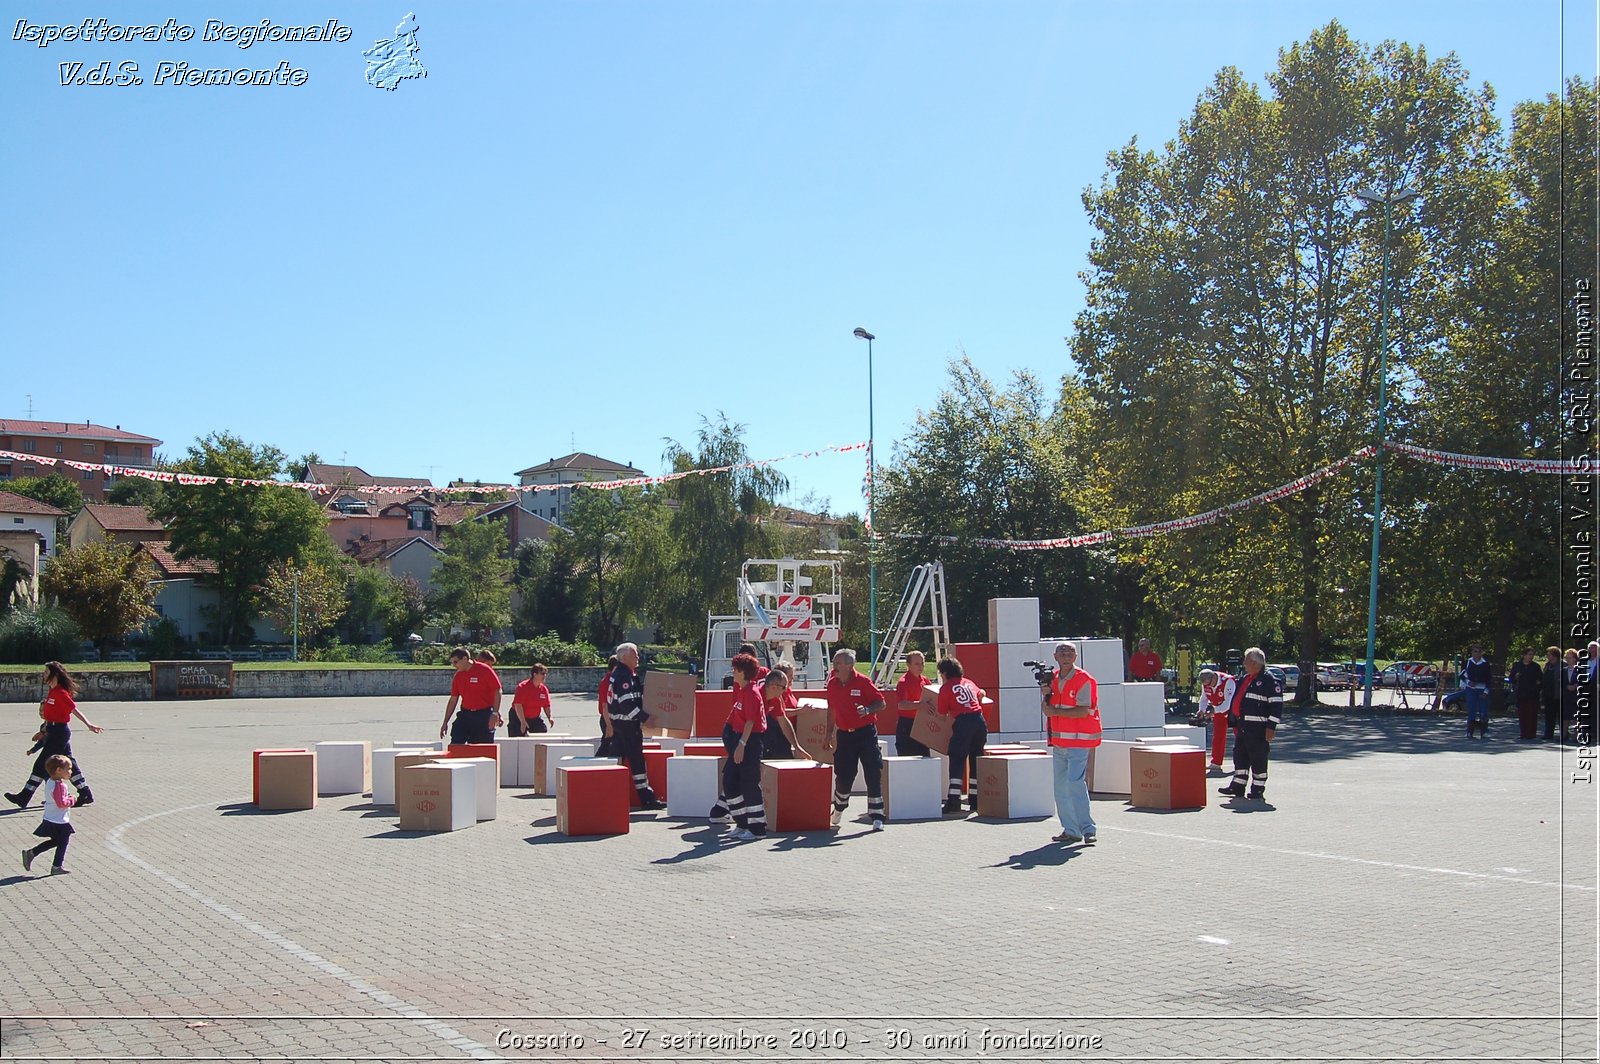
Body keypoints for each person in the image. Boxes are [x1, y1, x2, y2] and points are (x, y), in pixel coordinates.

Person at [6, 662, 102, 810]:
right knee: (70, 762)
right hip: (53, 731)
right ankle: (85, 792)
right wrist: (43, 731)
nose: (44, 674)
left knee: (41, 764)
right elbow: (50, 715)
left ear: (55, 674)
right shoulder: (52, 691)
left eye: (46, 672)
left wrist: (88, 724)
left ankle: (24, 796)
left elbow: (74, 709)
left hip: (59, 732)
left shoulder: (61, 693)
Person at [822, 648, 887, 831]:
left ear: (850, 666)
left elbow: (881, 703)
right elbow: (831, 710)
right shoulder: (832, 684)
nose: (834, 666)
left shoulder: (863, 682)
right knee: (844, 775)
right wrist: (828, 734)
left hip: (866, 733)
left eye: (838, 663)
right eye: (834, 662)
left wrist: (867, 710)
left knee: (873, 771)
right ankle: (839, 809)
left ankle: (877, 815)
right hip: (844, 735)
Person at [1042, 642, 1100, 844]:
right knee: (1060, 787)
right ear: (1055, 656)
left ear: (1075, 657)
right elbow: (1048, 708)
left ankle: (1087, 829)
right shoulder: (1054, 678)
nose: (1066, 655)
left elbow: (1083, 710)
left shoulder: (1084, 679)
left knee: (1075, 784)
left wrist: (1055, 711)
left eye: (1069, 652)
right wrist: (1045, 695)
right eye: (1062, 652)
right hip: (1060, 742)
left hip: (1078, 740)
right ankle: (1071, 829)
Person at [707, 654, 769, 840]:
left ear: (744, 672)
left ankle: (758, 828)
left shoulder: (751, 692)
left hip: (749, 742)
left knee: (749, 784)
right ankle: (742, 823)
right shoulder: (741, 689)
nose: (733, 671)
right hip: (739, 741)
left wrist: (741, 745)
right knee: (730, 782)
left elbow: (751, 721)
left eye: (736, 669)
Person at [1217, 647, 1282, 801]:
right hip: (1243, 725)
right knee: (1240, 756)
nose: (1244, 664)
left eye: (1246, 661)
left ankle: (1258, 788)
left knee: (1258, 757)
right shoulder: (1245, 678)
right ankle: (1238, 785)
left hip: (1258, 727)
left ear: (1255, 663)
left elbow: (1276, 706)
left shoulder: (1269, 681)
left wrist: (1271, 727)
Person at [605, 643, 662, 809]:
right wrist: (644, 718)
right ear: (624, 657)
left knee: (618, 759)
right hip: (627, 726)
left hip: (621, 726)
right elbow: (626, 704)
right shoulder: (624, 676)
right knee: (636, 760)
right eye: (635, 655)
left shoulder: (626, 674)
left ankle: (611, 794)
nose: (638, 658)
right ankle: (646, 797)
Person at [935, 657, 987, 815]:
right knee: (975, 759)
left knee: (957, 758)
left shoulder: (946, 688)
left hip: (963, 722)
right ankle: (975, 799)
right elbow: (982, 693)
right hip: (979, 721)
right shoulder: (968, 683)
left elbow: (942, 713)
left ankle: (954, 800)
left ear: (944, 673)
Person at [20, 755, 76, 875]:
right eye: (69, 769)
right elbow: (62, 803)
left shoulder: (51, 781)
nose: (71, 772)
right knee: (62, 843)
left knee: (57, 841)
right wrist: (72, 799)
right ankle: (56, 866)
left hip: (50, 818)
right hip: (59, 820)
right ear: (59, 770)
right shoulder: (60, 786)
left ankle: (32, 853)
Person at [438, 647, 502, 744]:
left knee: (482, 747)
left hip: (483, 715)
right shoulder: (458, 676)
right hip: (466, 714)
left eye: (455, 662)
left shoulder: (484, 670)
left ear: (464, 659)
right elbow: (453, 700)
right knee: (456, 742)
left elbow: (497, 691)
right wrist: (445, 722)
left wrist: (495, 713)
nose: (454, 665)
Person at [758, 669, 808, 761]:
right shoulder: (755, 697)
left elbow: (784, 722)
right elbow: (748, 723)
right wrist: (742, 743)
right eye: (784, 687)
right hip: (737, 732)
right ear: (773, 687)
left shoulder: (776, 699)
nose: (786, 690)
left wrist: (797, 747)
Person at [892, 650, 932, 758]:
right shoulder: (903, 682)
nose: (920, 666)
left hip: (921, 723)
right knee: (908, 757)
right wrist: (919, 705)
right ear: (908, 665)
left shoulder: (925, 680)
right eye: (917, 664)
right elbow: (901, 704)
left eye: (922, 663)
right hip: (907, 725)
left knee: (924, 757)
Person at [1198, 668, 1231, 772]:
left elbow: (1228, 703)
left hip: (1233, 710)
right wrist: (1201, 710)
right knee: (1218, 736)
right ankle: (1216, 762)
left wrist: (1213, 711)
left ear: (1214, 677)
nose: (1209, 686)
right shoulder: (1206, 684)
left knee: (1241, 736)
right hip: (1218, 711)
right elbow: (1204, 698)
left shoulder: (1228, 681)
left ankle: (1246, 761)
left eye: (1210, 683)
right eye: (1206, 685)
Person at [1508, 648, 1543, 742]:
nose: (1530, 656)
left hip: (1532, 693)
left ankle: (1531, 733)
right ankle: (1523, 733)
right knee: (1522, 713)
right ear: (1524, 655)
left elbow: (1540, 679)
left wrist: (1538, 686)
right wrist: (1515, 677)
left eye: (1532, 654)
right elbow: (1511, 678)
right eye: (1529, 654)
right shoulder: (1517, 665)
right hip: (1521, 692)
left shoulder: (1535, 666)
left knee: (1531, 713)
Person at [509, 664, 553, 736]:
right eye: (542, 673)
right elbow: (518, 705)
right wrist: (523, 721)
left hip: (534, 717)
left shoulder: (544, 689)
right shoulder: (523, 687)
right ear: (534, 674)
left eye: (545, 674)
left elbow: (546, 705)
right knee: (517, 738)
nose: (545, 676)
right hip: (518, 716)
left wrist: (549, 717)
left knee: (542, 732)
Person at [1461, 646, 1493, 740]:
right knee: (1472, 710)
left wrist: (1486, 691)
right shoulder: (1468, 662)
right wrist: (1468, 682)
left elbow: (1489, 679)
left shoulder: (1485, 664)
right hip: (1471, 689)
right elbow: (1462, 675)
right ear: (1472, 652)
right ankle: (1469, 731)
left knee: (1483, 711)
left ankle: (1484, 731)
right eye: (1475, 651)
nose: (1477, 653)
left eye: (1479, 652)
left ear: (1481, 653)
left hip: (1482, 689)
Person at [475, 650, 505, 732]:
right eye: (488, 664)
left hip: (487, 711)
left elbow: (494, 696)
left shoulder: (490, 675)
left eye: (491, 665)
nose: (490, 668)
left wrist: (497, 713)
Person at [595, 655, 619, 758]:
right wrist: (609, 725)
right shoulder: (607, 682)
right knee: (606, 746)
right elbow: (605, 706)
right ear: (615, 667)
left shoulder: (612, 680)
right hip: (607, 719)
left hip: (610, 719)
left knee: (609, 746)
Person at [1542, 646, 1564, 742]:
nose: (1547, 656)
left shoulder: (1563, 665)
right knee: (1549, 715)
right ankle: (1548, 733)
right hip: (1548, 694)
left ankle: (1563, 734)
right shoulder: (1547, 665)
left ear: (1554, 655)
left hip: (1558, 694)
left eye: (1549, 654)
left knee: (1561, 716)